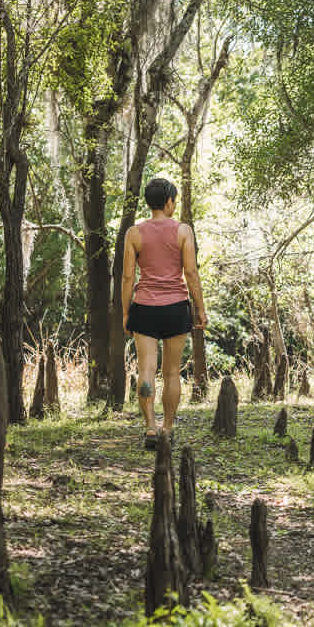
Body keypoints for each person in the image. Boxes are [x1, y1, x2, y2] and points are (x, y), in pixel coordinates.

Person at [122, 177, 207, 449]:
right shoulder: (183, 231)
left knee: (146, 369)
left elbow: (126, 278)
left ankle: (149, 428)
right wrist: (200, 308)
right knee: (171, 373)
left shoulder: (134, 234)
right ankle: (167, 429)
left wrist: (126, 313)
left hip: (144, 309)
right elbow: (191, 273)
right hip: (175, 309)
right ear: (169, 201)